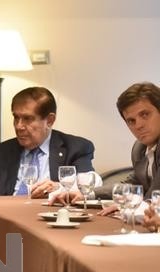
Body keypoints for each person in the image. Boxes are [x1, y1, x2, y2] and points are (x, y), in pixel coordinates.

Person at [65, 82, 160, 225]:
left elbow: (156, 193)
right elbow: (131, 184)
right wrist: (87, 194)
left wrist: (135, 206)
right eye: (131, 121)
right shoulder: (139, 148)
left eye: (145, 114)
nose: (138, 125)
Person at [0, 86, 97, 198]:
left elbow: (89, 187)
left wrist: (58, 188)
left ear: (49, 121)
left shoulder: (76, 148)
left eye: (27, 118)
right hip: (4, 212)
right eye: (16, 117)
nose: (19, 126)